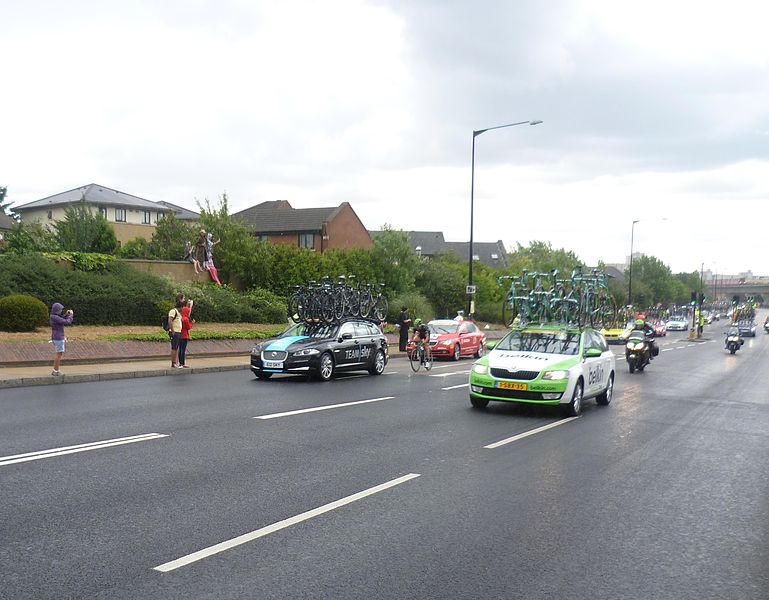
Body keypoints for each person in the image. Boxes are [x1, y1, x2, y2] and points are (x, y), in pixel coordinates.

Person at [50, 302, 74, 376]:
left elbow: (61, 320)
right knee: (59, 354)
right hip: (58, 338)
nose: (61, 311)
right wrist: (71, 316)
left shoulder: (53, 316)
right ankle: (55, 370)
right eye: (60, 309)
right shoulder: (55, 317)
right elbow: (66, 322)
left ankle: (55, 370)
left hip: (56, 337)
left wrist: (66, 315)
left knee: (59, 353)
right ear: (57, 310)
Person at [169, 296, 185, 368]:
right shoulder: (173, 311)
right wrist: (172, 331)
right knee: (174, 348)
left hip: (178, 332)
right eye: (182, 307)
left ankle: (175, 362)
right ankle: (173, 363)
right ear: (180, 307)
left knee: (176, 347)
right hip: (175, 332)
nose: (183, 309)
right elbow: (170, 321)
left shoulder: (178, 313)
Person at [179, 300, 195, 368]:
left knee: (180, 349)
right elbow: (188, 327)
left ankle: (180, 363)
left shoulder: (180, 318)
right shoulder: (186, 319)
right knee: (183, 350)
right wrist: (192, 323)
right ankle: (182, 363)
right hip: (185, 335)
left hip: (179, 335)